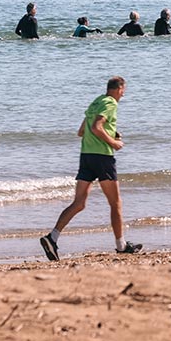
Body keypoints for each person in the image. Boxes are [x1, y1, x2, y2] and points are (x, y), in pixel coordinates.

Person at [39, 76, 142, 260]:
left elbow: (82, 131)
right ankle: (121, 245)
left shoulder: (96, 101)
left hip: (86, 156)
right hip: (102, 158)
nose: (123, 94)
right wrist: (114, 142)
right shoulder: (110, 103)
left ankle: (52, 237)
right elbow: (96, 127)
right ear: (119, 89)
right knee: (115, 203)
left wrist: (112, 131)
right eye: (123, 91)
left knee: (79, 203)